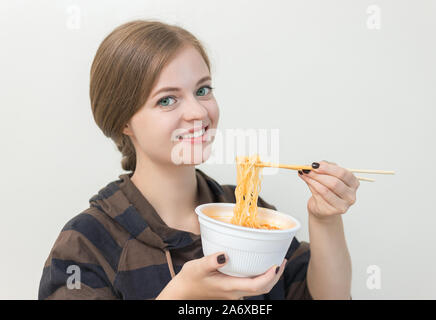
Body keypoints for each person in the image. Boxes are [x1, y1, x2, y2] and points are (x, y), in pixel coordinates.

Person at [38, 20, 357, 300]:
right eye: (167, 99)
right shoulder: (86, 242)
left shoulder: (246, 209)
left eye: (203, 90)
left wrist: (325, 219)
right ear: (123, 121)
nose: (199, 112)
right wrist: (181, 296)